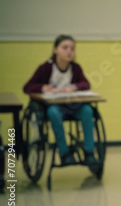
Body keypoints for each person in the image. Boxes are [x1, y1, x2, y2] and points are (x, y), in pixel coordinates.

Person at [23, 34, 98, 166]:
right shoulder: (46, 68)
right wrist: (43, 87)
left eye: (72, 48)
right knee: (53, 112)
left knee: (87, 110)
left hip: (73, 106)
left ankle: (89, 152)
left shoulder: (75, 68)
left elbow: (86, 84)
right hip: (54, 108)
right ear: (55, 50)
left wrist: (74, 87)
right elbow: (27, 87)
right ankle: (64, 152)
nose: (69, 51)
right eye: (65, 47)